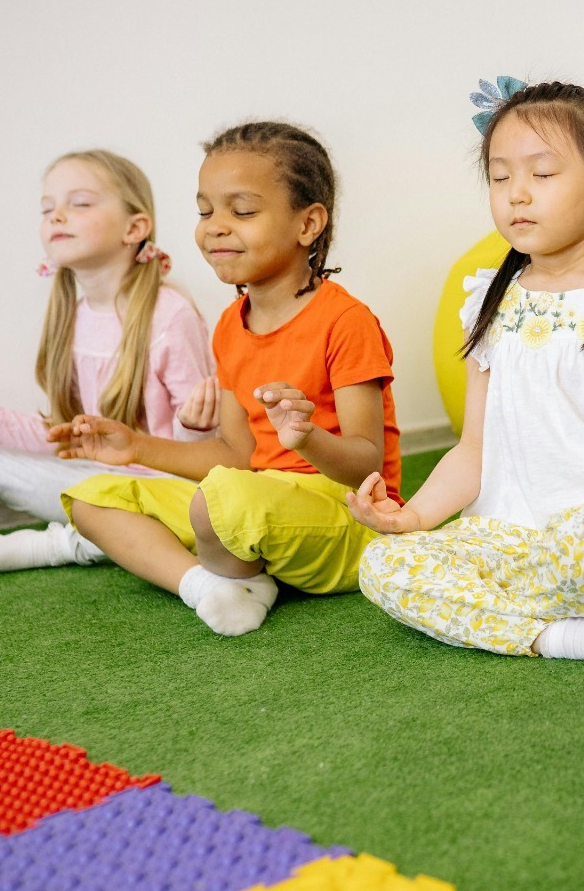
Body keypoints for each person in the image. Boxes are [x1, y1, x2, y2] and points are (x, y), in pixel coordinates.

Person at [348, 79, 584, 674]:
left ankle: (555, 610)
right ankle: (564, 634)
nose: (517, 194)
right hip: (514, 539)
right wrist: (412, 518)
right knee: (384, 566)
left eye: (542, 174)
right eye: (499, 177)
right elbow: (474, 449)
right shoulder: (487, 302)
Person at [56, 122, 401, 637]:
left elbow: (365, 465)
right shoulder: (228, 326)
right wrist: (135, 447)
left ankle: (237, 576)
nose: (215, 227)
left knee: (222, 499)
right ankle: (206, 586)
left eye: (241, 211)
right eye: (205, 211)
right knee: (93, 497)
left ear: (308, 224)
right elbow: (237, 455)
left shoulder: (346, 321)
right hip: (253, 499)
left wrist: (306, 437)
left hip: (348, 517)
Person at [0, 150, 214, 585]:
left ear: (134, 228)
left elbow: (205, 452)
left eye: (79, 203)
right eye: (48, 209)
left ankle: (48, 546)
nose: (57, 216)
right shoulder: (73, 317)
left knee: (124, 512)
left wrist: (194, 425)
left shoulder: (170, 315)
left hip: (159, 488)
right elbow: (69, 439)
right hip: (94, 479)